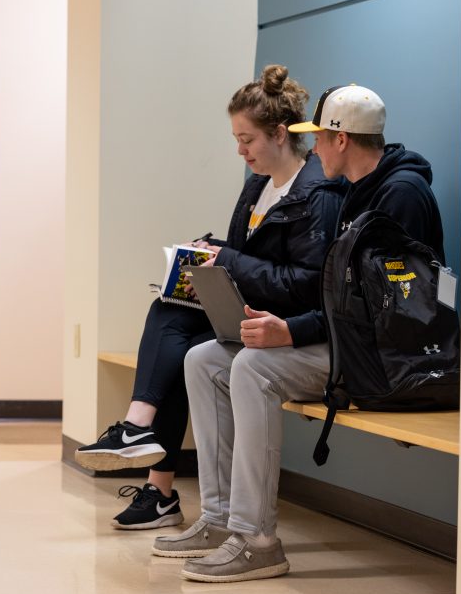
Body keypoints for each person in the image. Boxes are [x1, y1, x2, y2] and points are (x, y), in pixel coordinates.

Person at [168, 84, 446, 582]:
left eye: (317, 138)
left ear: (340, 140)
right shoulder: (358, 189)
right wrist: (287, 328)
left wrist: (291, 332)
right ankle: (219, 518)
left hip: (390, 361)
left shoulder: (399, 196)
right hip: (352, 346)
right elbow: (343, 299)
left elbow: (386, 314)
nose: (312, 151)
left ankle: (257, 540)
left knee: (252, 368)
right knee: (206, 359)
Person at [74, 65, 344, 531]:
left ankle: (151, 463)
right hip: (247, 304)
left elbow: (304, 283)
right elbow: (248, 253)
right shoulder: (257, 187)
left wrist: (229, 261)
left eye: (248, 139)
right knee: (170, 313)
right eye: (236, 139)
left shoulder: (316, 193)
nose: (240, 150)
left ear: (280, 134)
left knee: (179, 338)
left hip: (282, 322)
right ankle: (149, 461)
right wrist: (209, 254)